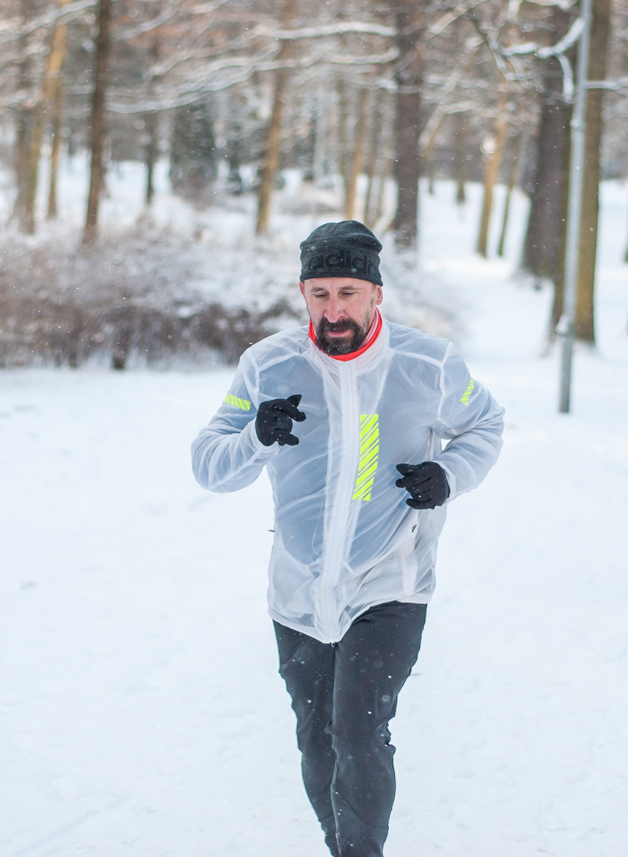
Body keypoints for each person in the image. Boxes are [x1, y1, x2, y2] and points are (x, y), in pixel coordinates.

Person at [191, 221, 504, 857]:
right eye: (320, 293)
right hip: (299, 590)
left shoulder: (429, 363)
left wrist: (449, 474)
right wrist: (256, 435)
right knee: (317, 738)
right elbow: (207, 464)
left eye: (348, 293)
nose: (334, 310)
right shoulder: (268, 365)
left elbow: (487, 425)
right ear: (303, 293)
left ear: (376, 295)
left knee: (359, 733)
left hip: (391, 580)